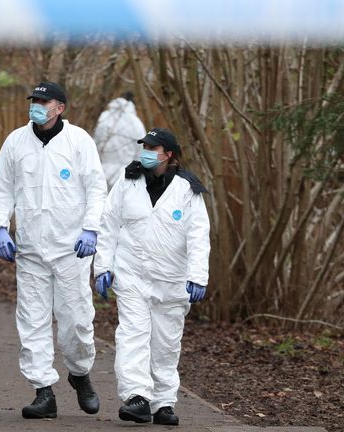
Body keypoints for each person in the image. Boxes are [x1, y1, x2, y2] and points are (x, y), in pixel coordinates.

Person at [0, 81, 107, 419]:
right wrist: (0, 228)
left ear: (60, 107)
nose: (37, 106)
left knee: (77, 321)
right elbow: (3, 188)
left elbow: (96, 189)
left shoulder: (79, 141)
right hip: (30, 249)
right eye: (34, 100)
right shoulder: (16, 141)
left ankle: (80, 373)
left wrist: (90, 228)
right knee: (32, 320)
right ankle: (43, 391)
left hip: (72, 249)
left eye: (44, 101)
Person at [93, 127, 210, 426]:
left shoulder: (187, 189)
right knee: (132, 335)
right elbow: (109, 224)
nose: (145, 152)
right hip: (132, 274)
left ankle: (163, 402)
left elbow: (199, 235)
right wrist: (102, 267)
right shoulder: (127, 180)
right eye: (143, 146)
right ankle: (136, 397)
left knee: (166, 344)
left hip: (171, 281)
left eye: (152, 148)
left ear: (168, 155)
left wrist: (198, 276)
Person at [92, 91, 146, 188]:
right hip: (127, 175)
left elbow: (94, 144)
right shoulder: (136, 123)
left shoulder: (104, 118)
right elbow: (141, 152)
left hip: (102, 173)